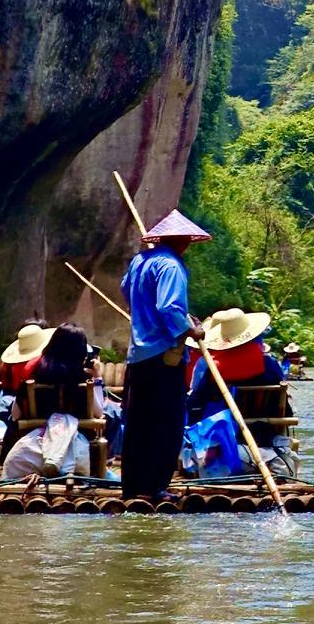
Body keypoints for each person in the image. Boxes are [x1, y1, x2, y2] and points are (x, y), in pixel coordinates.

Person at [120, 208, 209, 499]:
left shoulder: (139, 261)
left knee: (138, 423)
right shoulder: (171, 266)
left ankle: (133, 487)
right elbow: (169, 307)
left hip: (138, 355)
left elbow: (125, 289)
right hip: (162, 357)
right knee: (166, 422)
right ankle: (156, 486)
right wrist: (190, 330)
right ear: (181, 240)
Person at [186, 308, 296, 477]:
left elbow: (195, 406)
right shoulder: (269, 364)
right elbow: (284, 408)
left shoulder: (213, 369)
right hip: (264, 432)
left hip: (225, 435)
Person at [0, 324, 95, 479]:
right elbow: (97, 413)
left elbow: (16, 414)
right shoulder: (83, 378)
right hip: (78, 434)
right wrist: (98, 380)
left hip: (34, 433)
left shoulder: (35, 372)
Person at [0, 323, 53, 442]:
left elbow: (7, 388)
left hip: (21, 407)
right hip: (43, 408)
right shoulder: (46, 365)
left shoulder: (9, 366)